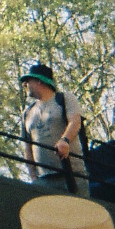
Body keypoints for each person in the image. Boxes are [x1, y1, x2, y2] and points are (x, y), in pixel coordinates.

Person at [20, 63, 88, 196]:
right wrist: (33, 176)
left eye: (28, 81)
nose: (25, 85)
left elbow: (75, 121)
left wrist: (65, 140)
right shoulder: (26, 113)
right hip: (43, 180)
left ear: (39, 81)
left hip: (72, 173)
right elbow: (27, 146)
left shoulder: (64, 98)